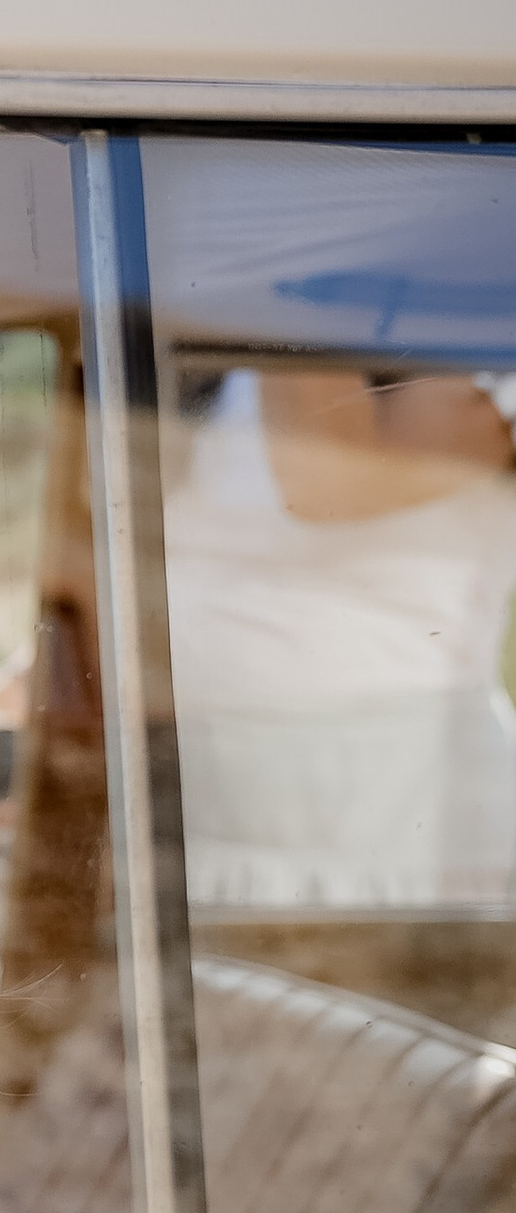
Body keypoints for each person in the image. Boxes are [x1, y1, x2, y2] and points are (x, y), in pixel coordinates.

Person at [165, 364, 516, 909]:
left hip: (388, 806)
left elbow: (325, 480)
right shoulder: (230, 362)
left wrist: (278, 286)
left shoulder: (477, 368)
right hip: (206, 784)